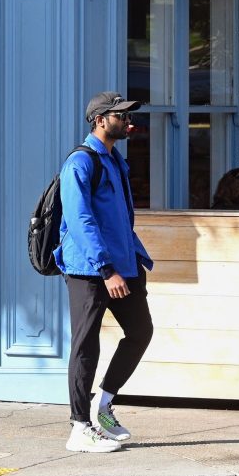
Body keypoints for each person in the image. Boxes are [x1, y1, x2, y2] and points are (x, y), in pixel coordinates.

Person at [55, 91, 155, 453]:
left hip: (122, 266)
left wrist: (134, 259)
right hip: (90, 269)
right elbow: (80, 221)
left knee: (141, 330)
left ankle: (102, 405)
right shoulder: (80, 163)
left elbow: (119, 220)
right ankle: (79, 427)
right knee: (86, 345)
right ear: (101, 120)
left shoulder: (115, 161)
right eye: (121, 116)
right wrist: (106, 268)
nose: (129, 122)